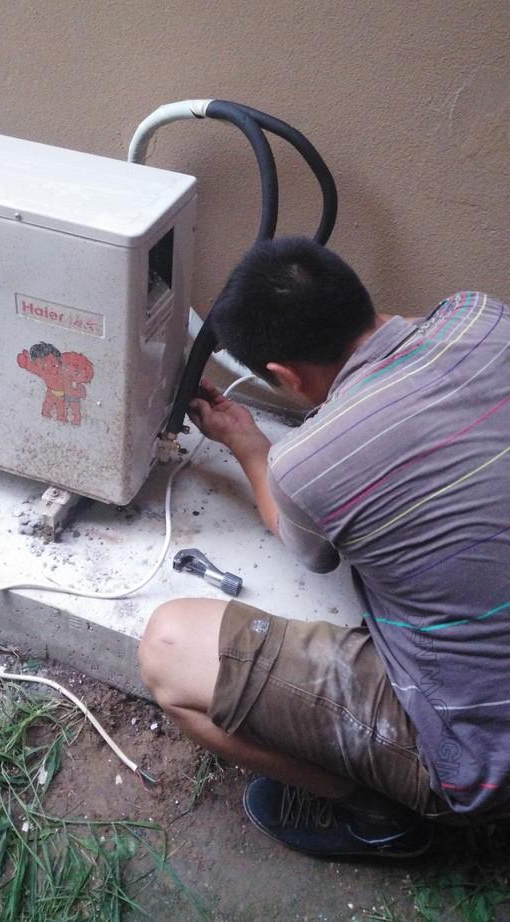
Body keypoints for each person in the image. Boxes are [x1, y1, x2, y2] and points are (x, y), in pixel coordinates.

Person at [138, 236, 510, 859]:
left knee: (169, 649)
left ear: (284, 376)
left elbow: (305, 546)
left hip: (482, 757)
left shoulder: (313, 463)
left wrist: (250, 447)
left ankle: (382, 819)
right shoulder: (483, 315)